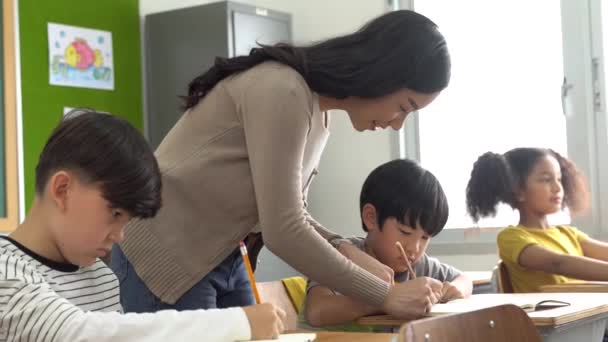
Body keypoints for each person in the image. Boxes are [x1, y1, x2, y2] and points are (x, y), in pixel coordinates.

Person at [112, 9, 451, 318]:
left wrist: (345, 248)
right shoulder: (284, 90)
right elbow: (283, 229)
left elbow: (291, 212)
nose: (397, 124)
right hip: (170, 254)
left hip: (225, 257)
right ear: (383, 73)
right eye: (405, 107)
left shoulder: (319, 115)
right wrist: (384, 295)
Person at [0, 110, 285, 341]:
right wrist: (236, 322)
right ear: (63, 190)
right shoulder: (6, 274)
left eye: (126, 221)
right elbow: (78, 333)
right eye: (114, 214)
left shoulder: (99, 275)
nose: (120, 235)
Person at [300, 159, 472, 331]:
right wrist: (386, 300)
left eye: (425, 238)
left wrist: (455, 290)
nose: (415, 248)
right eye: (405, 232)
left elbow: (464, 279)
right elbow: (317, 311)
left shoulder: (421, 267)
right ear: (371, 217)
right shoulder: (342, 254)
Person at [465, 147, 608, 293]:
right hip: (548, 315)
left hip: (584, 311)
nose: (558, 187)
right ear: (518, 190)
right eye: (546, 180)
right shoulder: (511, 237)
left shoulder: (569, 233)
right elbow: (558, 263)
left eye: (559, 179)